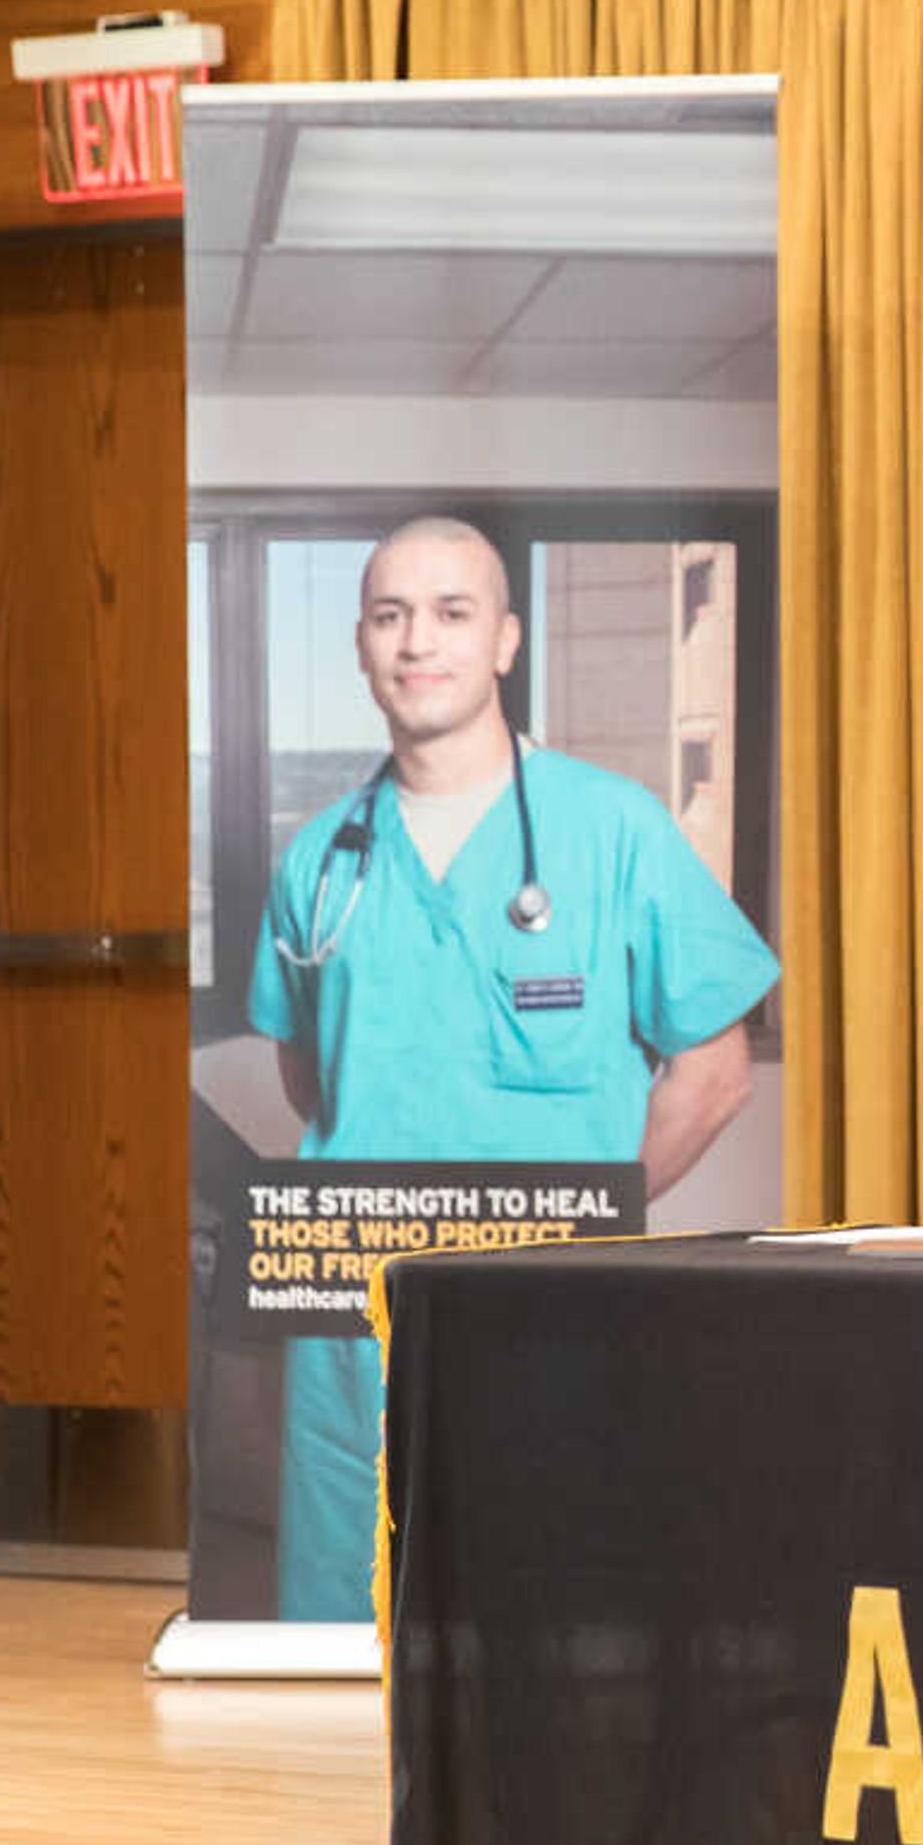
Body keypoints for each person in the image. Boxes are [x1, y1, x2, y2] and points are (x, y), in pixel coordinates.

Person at [248, 516, 777, 1617]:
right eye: (390, 616)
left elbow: (714, 1069)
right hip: (359, 1304)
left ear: (506, 639)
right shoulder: (320, 855)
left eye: (452, 613)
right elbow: (310, 1075)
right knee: (349, 1618)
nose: (417, 643)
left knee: (550, 1606)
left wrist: (591, 1210)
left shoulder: (614, 830)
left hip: (547, 1292)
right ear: (360, 645)